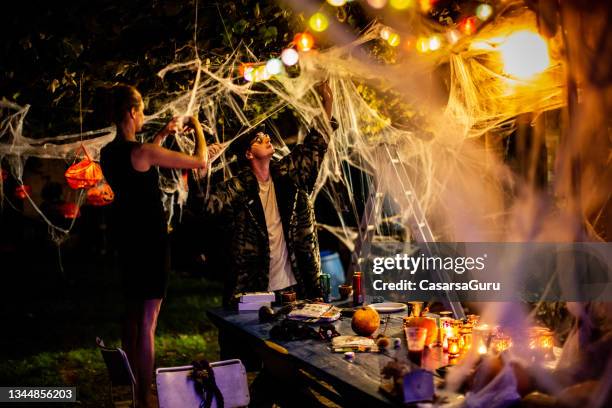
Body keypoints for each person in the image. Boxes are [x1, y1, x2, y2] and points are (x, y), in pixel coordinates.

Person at [99, 84, 215, 408]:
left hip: (127, 240)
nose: (145, 115)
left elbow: (140, 165)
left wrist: (162, 134)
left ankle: (136, 390)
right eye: (143, 110)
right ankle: (143, 398)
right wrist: (197, 127)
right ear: (133, 113)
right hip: (150, 242)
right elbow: (199, 160)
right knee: (149, 323)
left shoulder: (108, 153)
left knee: (134, 317)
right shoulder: (144, 151)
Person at [205, 82, 334, 307]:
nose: (267, 139)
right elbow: (206, 207)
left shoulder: (289, 176)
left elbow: (315, 145)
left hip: (298, 286)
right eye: (258, 139)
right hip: (256, 291)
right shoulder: (237, 189)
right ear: (248, 154)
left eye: (266, 136)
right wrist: (203, 166)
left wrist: (327, 102)